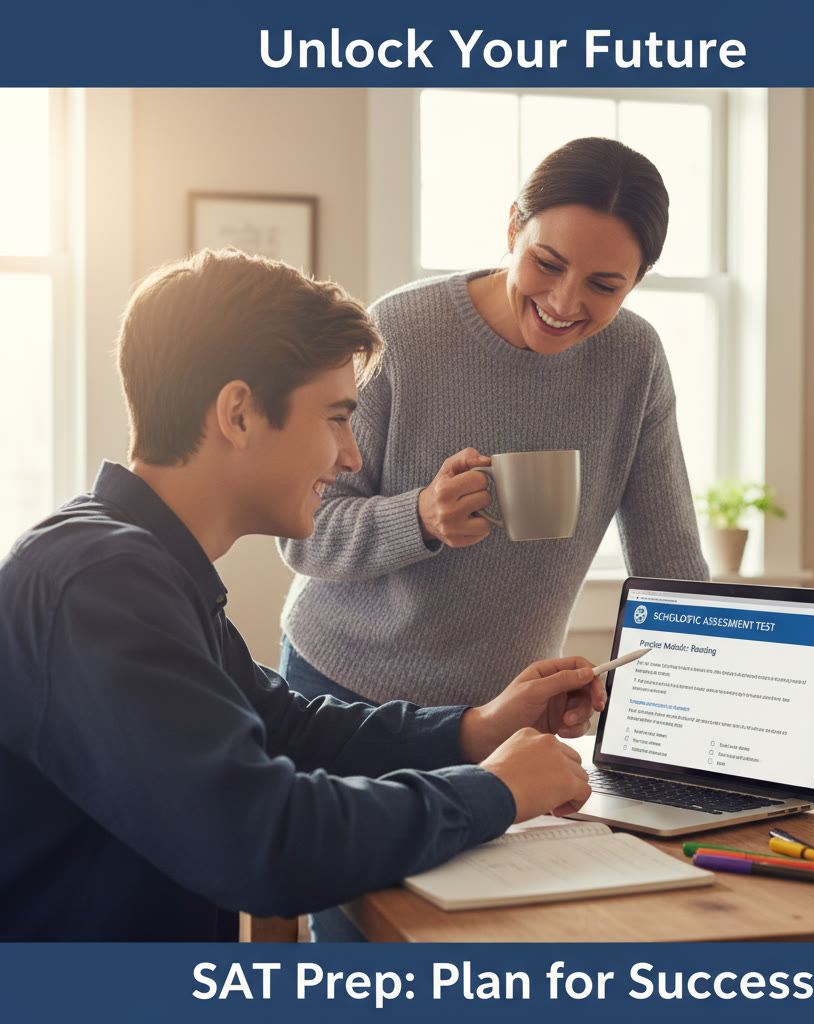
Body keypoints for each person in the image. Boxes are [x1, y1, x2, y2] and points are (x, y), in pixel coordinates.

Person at [0, 247, 604, 942]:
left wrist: (480, 728)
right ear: (239, 415)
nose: (349, 457)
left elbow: (283, 726)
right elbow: (265, 839)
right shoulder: (98, 586)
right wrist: (497, 791)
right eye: (336, 417)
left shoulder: (139, 563)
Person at [278, 136, 709, 712]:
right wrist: (422, 516)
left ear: (640, 277)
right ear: (513, 229)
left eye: (604, 285)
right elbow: (305, 531)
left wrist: (716, 717)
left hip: (504, 712)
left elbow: (671, 566)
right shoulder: (402, 332)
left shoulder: (635, 358)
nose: (563, 301)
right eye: (547, 263)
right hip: (342, 690)